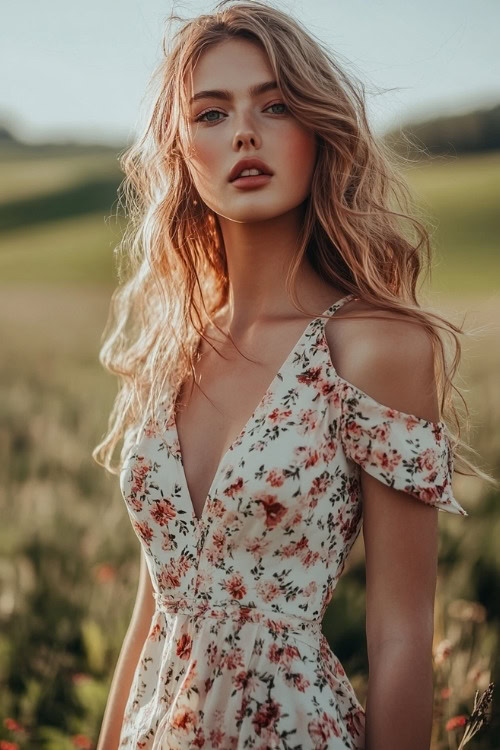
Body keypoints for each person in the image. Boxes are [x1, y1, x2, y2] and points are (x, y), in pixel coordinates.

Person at [93, 2, 493, 748]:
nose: (245, 131)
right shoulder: (167, 353)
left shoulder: (376, 349)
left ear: (317, 129)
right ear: (181, 151)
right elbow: (153, 609)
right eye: (211, 113)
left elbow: (404, 633)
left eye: (275, 104)